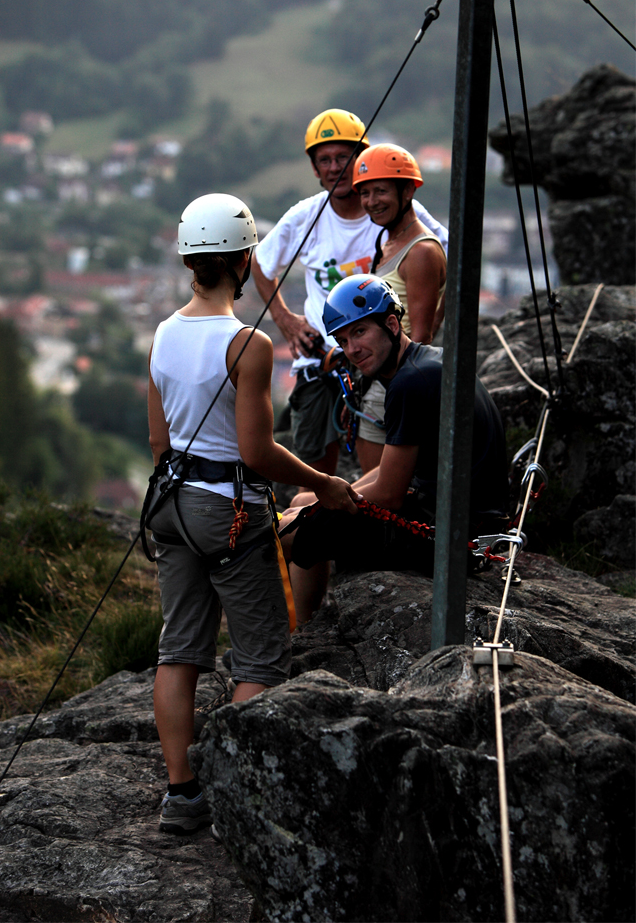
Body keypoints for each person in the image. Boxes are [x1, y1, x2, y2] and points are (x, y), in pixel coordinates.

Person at [147, 193, 359, 835]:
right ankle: (239, 792)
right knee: (261, 658)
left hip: (170, 505)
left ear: (191, 259)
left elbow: (159, 442)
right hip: (230, 511)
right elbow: (257, 451)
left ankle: (181, 793)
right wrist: (324, 483)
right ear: (244, 260)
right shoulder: (248, 345)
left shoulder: (162, 333)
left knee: (179, 649)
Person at [281, 275, 509, 625]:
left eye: (359, 332)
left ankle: (293, 635)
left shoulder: (409, 383)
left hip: (449, 536)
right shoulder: (426, 362)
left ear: (390, 324)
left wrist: (324, 505)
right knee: (302, 503)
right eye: (343, 340)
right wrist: (326, 496)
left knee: (287, 532)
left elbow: (388, 494)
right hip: (468, 522)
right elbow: (394, 467)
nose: (352, 349)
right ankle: (308, 628)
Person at [252, 108, 449, 481]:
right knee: (312, 468)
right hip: (322, 361)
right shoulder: (305, 217)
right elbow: (261, 265)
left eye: (344, 157)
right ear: (314, 169)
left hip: (385, 360)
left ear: (362, 159)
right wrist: (286, 320)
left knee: (386, 468)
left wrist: (427, 325)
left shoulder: (394, 208)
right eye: (324, 160)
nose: (334, 167)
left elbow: (444, 255)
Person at [351, 143, 448, 472]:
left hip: (394, 384)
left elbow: (421, 336)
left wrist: (394, 393)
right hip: (381, 380)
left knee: (382, 500)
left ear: (407, 190)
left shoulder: (420, 251)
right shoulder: (388, 244)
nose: (371, 201)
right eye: (364, 193)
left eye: (380, 190)